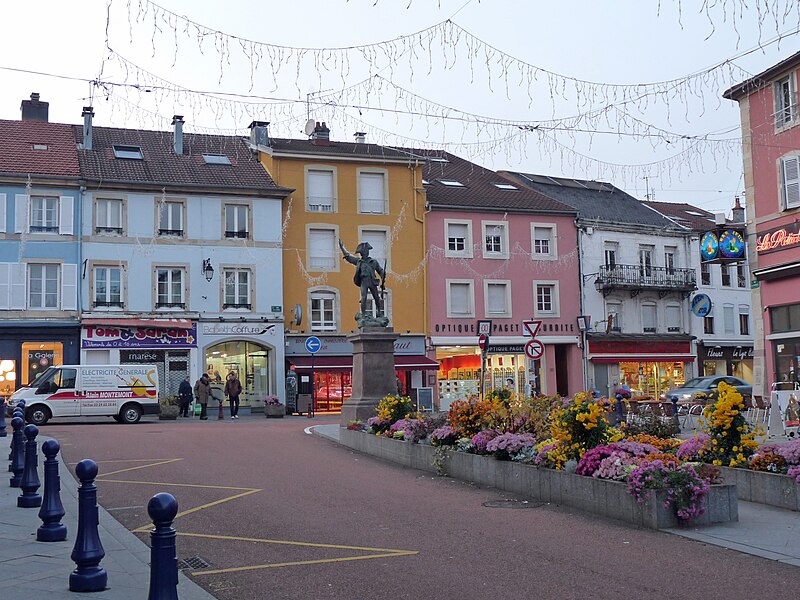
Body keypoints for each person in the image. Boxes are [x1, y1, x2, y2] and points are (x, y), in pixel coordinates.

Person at [339, 239, 386, 317]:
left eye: (365, 252)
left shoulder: (373, 262)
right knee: (363, 298)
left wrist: (383, 275)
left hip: (372, 281)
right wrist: (342, 248)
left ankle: (379, 312)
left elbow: (380, 270)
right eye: (363, 253)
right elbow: (348, 257)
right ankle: (363, 315)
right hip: (364, 282)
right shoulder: (358, 262)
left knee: (376, 297)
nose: (364, 254)